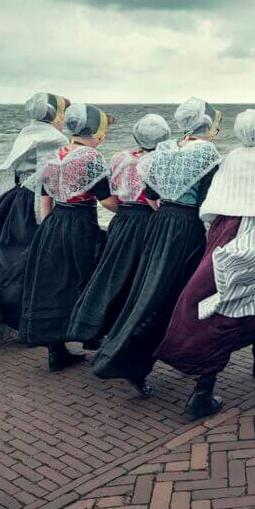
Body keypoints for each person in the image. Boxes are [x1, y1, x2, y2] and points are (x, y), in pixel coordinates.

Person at [156, 109, 255, 417]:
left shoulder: (234, 156)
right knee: (226, 299)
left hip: (223, 229)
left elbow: (216, 198)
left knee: (239, 294)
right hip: (248, 232)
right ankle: (202, 391)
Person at [90, 98, 222, 397]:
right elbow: (208, 201)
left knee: (148, 293)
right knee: (183, 298)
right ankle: (189, 365)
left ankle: (130, 357)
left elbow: (150, 192)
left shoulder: (164, 150)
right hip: (187, 228)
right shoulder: (207, 153)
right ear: (205, 122)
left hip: (160, 223)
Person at [0, 93, 70, 329]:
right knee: (32, 261)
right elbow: (48, 179)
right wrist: (48, 219)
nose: (63, 118)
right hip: (33, 201)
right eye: (61, 112)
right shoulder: (55, 138)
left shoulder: (28, 131)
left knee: (7, 254)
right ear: (52, 113)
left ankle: (6, 304)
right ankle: (31, 318)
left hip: (16, 198)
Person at [19, 103, 119, 371]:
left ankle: (56, 350)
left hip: (54, 223)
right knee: (88, 278)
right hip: (79, 223)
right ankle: (92, 336)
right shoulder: (91, 158)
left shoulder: (54, 156)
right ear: (94, 130)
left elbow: (44, 198)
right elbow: (107, 201)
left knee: (53, 284)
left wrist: (48, 227)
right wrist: (129, 210)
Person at [66, 114, 172, 350]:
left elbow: (108, 196)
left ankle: (93, 328)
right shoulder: (162, 161)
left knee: (112, 276)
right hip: (148, 220)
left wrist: (123, 213)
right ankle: (130, 337)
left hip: (122, 219)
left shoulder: (120, 157)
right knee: (140, 281)